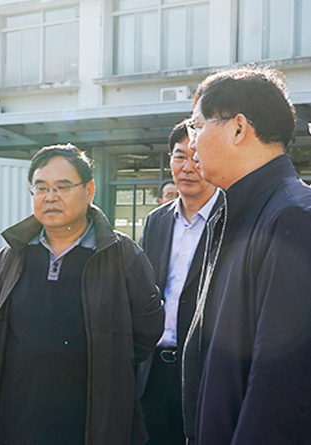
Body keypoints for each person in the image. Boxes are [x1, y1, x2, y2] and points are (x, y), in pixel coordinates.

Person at [0, 144, 164, 445]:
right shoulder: (12, 255)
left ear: (89, 191)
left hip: (92, 419)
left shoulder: (122, 255)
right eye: (41, 188)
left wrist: (109, 361)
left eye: (62, 187)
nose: (50, 197)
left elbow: (147, 328)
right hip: (19, 415)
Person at [182, 67, 311, 443]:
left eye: (197, 126)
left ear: (238, 128)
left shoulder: (293, 217)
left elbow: (282, 383)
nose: (191, 144)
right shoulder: (232, 212)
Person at [136, 121, 222, 444]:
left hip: (204, 374)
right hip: (153, 372)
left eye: (196, 157)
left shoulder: (232, 219)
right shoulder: (156, 221)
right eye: (179, 156)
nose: (187, 167)